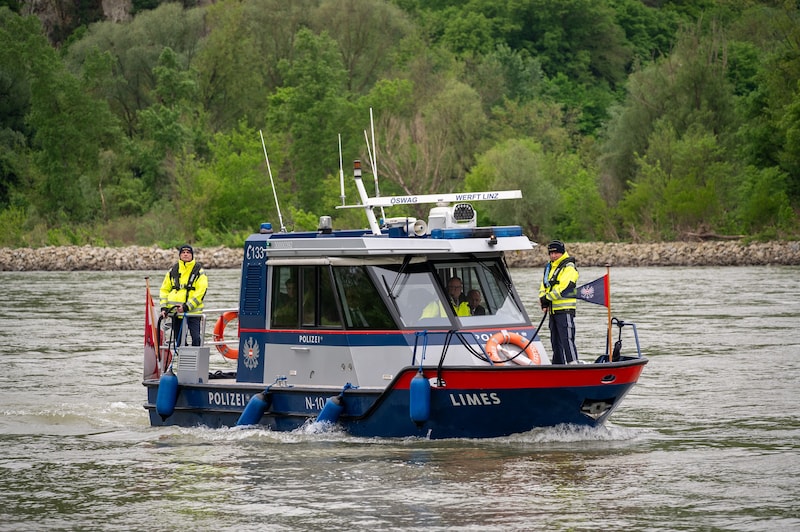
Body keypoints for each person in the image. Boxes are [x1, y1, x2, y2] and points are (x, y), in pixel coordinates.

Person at [538, 240, 579, 364]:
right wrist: (543, 299)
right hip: (553, 310)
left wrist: (547, 298)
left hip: (565, 309)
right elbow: (543, 285)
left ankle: (574, 365)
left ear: (562, 252)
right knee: (555, 341)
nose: (553, 256)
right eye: (551, 253)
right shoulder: (549, 267)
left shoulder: (569, 267)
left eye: (556, 253)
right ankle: (558, 365)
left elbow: (564, 287)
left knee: (567, 339)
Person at [160, 244, 208, 347]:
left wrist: (186, 307)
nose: (185, 254)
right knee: (179, 340)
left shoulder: (199, 271)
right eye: (183, 252)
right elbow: (164, 290)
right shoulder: (173, 271)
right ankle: (183, 359)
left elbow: (200, 292)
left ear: (192, 255)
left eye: (188, 252)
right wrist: (164, 308)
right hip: (176, 313)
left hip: (193, 313)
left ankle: (196, 360)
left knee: (196, 338)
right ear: (180, 255)